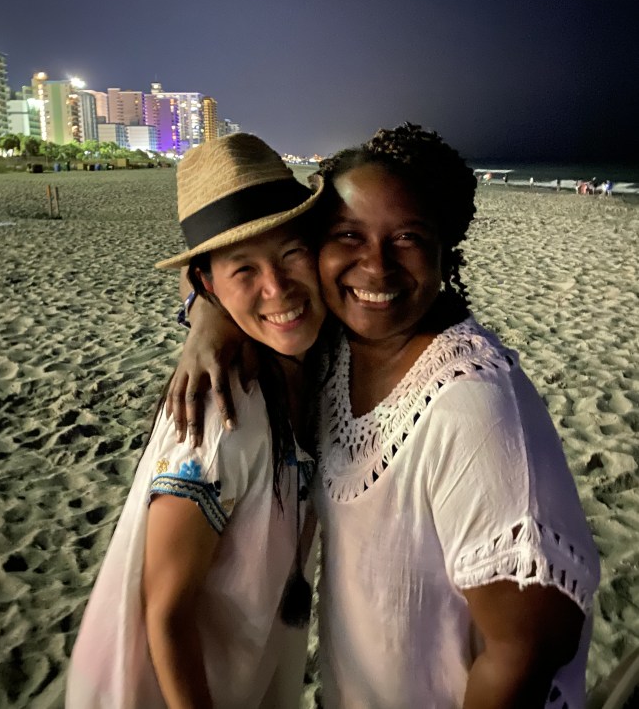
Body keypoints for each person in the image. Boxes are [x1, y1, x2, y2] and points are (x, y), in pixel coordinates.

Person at [171, 124, 600, 707]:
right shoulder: (336, 346)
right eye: (348, 234)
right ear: (316, 247)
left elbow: (527, 647)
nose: (375, 266)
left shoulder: (475, 408)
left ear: (445, 250)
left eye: (407, 238)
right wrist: (206, 317)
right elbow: (216, 265)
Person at [66, 133, 327, 709]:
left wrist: (207, 314)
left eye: (292, 253)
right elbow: (166, 612)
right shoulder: (220, 411)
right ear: (210, 285)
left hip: (247, 667)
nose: (277, 287)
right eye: (245, 270)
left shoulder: (318, 363)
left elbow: (207, 272)